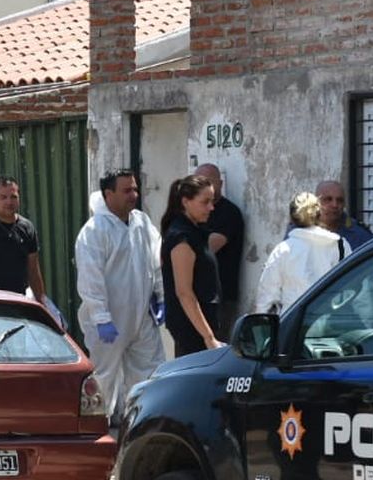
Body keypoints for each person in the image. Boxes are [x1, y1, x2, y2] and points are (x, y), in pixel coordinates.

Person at [74, 171, 165, 423]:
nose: (133, 195)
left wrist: (160, 295)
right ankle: (95, 428)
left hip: (141, 317)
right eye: (126, 190)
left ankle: (142, 421)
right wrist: (101, 317)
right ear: (108, 194)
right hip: (108, 320)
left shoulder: (142, 222)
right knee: (104, 376)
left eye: (135, 189)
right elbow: (91, 279)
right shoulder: (94, 231)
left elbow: (156, 260)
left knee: (150, 370)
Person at [160, 174, 223, 355]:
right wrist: (208, 337)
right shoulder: (182, 237)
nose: (211, 208)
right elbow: (184, 292)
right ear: (186, 202)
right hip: (192, 330)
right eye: (205, 202)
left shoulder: (196, 231)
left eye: (212, 201)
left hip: (204, 323)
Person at [256, 192, 347, 314]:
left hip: (294, 322)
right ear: (319, 214)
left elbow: (267, 295)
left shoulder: (283, 250)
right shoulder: (340, 245)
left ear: (291, 218)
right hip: (330, 321)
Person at [0, 177, 49, 304]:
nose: (9, 202)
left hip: (18, 302)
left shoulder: (27, 228)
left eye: (13, 197)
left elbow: (33, 270)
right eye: (3, 197)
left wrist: (41, 302)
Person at [195, 164, 245, 337]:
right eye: (199, 183)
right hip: (196, 296)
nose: (204, 187)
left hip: (220, 298)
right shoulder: (192, 214)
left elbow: (205, 248)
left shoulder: (228, 213)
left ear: (220, 184)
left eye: (209, 182)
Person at [313, 179, 373, 250]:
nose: (335, 205)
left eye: (339, 200)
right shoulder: (300, 232)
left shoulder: (360, 235)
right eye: (328, 199)